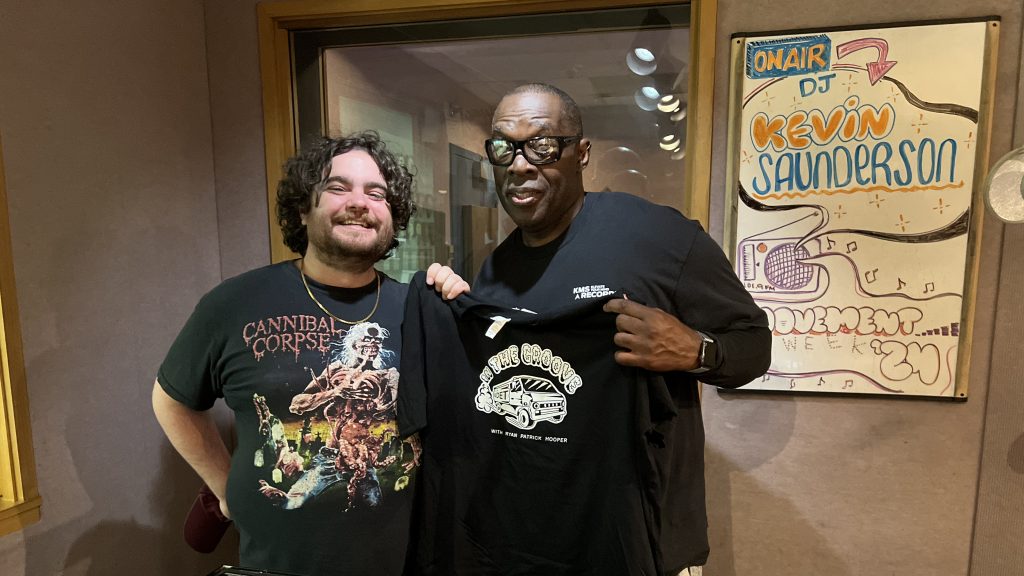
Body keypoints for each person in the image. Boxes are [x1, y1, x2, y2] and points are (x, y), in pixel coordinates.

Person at [399, 84, 771, 576]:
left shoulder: (660, 238)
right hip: (528, 547)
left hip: (644, 540)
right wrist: (449, 303)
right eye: (504, 148)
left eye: (543, 145)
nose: (520, 164)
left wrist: (696, 351)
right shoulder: (492, 270)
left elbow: (754, 346)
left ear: (582, 153)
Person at [152, 131, 467, 576]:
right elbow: (172, 399)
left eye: (376, 193)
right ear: (304, 209)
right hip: (277, 563)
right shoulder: (233, 304)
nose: (359, 202)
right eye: (338, 187)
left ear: (393, 220)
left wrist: (456, 304)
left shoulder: (422, 310)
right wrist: (224, 488)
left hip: (402, 559)